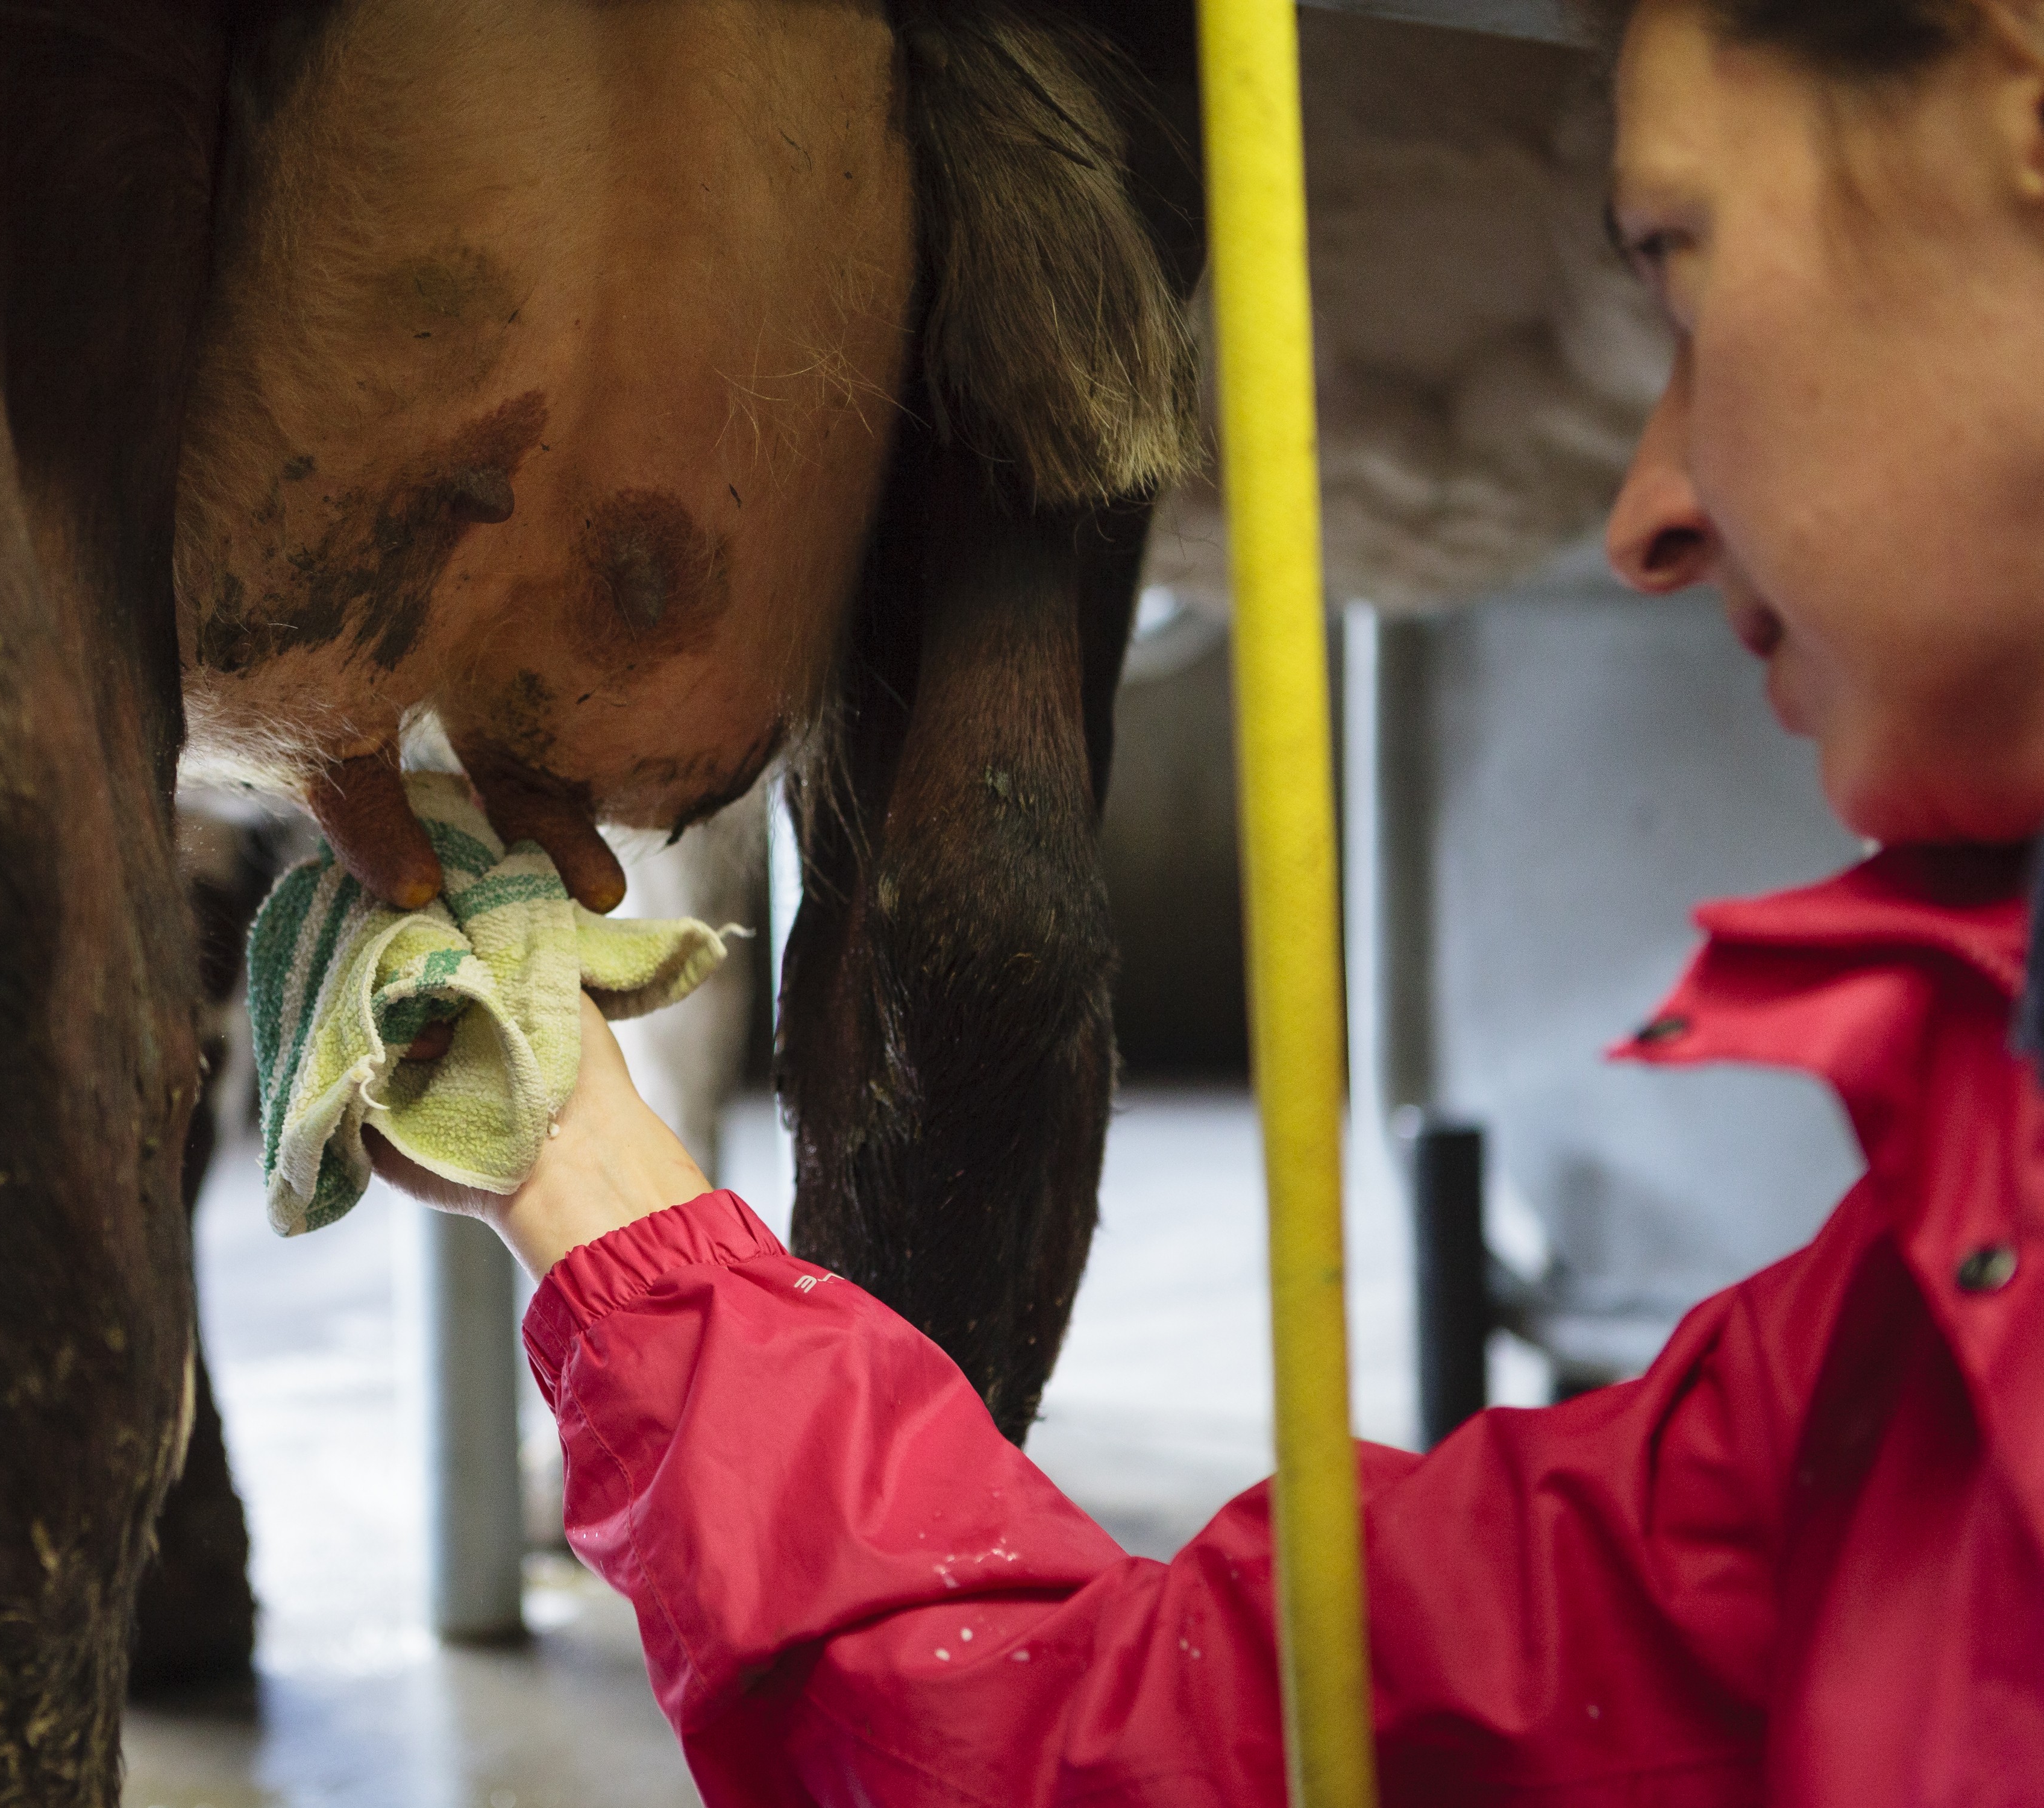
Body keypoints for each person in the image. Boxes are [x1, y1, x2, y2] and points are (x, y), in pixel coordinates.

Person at [375, 0, 2044, 1798]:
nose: (1646, 513)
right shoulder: (1880, 1369)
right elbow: (1136, 1743)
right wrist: (592, 1190)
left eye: (1679, 265)